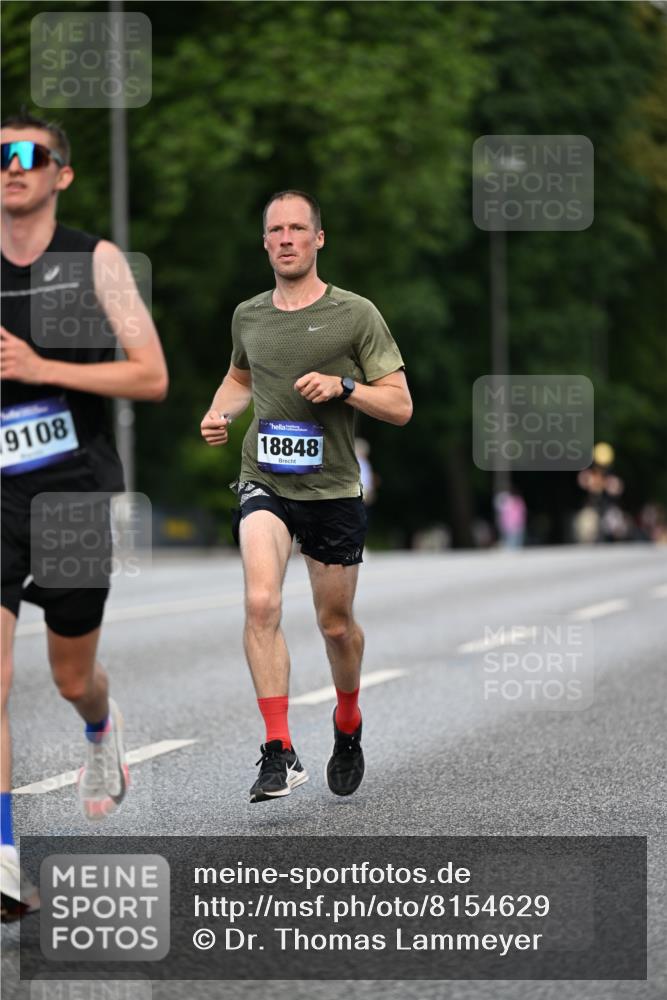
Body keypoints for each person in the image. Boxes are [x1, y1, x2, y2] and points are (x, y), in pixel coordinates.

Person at [0, 113, 168, 920]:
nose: (11, 167)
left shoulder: (94, 261)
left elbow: (151, 376)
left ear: (60, 174)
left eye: (29, 155)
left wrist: (41, 367)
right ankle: (3, 857)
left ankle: (102, 729)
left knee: (70, 675)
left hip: (73, 488)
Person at [201, 190, 411, 803]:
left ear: (320, 238)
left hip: (332, 489)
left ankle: (347, 719)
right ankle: (278, 749)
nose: (287, 238)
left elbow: (399, 406)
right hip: (264, 479)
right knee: (261, 602)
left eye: (298, 228)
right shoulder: (249, 315)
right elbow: (240, 378)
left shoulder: (356, 314)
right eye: (276, 230)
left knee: (335, 625)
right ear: (265, 242)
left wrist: (345, 386)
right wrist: (218, 414)